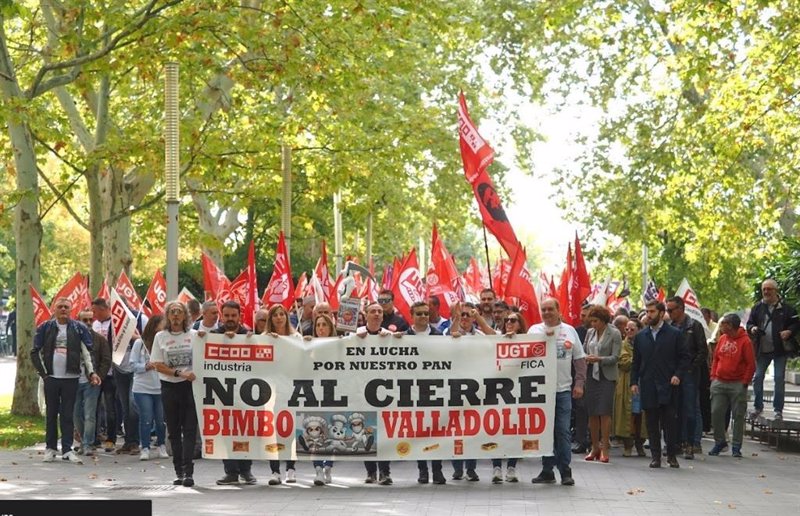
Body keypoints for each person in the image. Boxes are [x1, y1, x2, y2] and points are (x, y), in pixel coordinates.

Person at [31, 297, 100, 464]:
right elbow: (34, 352)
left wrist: (91, 373)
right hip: (51, 378)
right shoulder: (45, 328)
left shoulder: (78, 328)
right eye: (60, 307)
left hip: (72, 378)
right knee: (51, 414)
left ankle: (67, 449)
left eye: (66, 307)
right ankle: (50, 448)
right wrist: (44, 374)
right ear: (54, 309)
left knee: (68, 415)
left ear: (71, 310)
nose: (63, 309)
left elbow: (87, 352)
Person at [530, 298, 586, 486]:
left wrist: (579, 384)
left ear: (558, 309)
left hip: (562, 391)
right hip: (539, 392)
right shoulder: (534, 331)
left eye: (549, 309)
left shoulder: (570, 331)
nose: (546, 313)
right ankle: (547, 470)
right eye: (543, 309)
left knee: (562, 431)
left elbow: (579, 360)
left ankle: (565, 471)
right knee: (545, 432)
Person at [631, 300, 689, 469]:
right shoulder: (641, 336)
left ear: (661, 313)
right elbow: (636, 362)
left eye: (652, 312)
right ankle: (655, 456)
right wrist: (634, 382)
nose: (648, 315)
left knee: (670, 422)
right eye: (647, 311)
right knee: (651, 422)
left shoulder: (674, 334)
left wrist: (678, 375)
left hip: (668, 385)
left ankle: (671, 455)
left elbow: (684, 357)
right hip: (648, 384)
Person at [151, 300, 198, 487]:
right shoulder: (160, 337)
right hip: (170, 388)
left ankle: (188, 472)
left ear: (185, 315)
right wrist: (179, 373)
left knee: (189, 431)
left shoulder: (195, 335)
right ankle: (178, 470)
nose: (176, 315)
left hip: (189, 388)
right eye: (173, 312)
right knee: (174, 431)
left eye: (180, 312)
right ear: (168, 316)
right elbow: (157, 364)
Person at [210, 301, 258, 485]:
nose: (230, 319)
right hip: (222, 395)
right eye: (227, 316)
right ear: (222, 316)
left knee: (245, 432)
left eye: (233, 316)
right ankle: (230, 472)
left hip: (246, 395)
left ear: (240, 316)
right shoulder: (213, 335)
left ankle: (246, 471)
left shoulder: (248, 335)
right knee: (226, 433)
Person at [399, 301, 446, 485]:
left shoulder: (438, 336)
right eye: (419, 314)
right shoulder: (404, 336)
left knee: (436, 432)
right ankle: (423, 471)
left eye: (426, 313)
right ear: (412, 316)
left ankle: (437, 470)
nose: (423, 317)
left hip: (434, 390)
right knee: (419, 432)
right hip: (413, 391)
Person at [747, 279, 800, 421]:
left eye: (769, 289)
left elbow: (796, 323)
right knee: (757, 378)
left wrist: (789, 331)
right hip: (762, 349)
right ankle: (758, 407)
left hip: (779, 350)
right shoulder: (757, 308)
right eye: (764, 289)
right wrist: (752, 328)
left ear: (775, 290)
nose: (766, 292)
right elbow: (749, 323)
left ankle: (778, 410)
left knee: (778, 379)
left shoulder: (786, 308)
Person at [666, 295, 708, 459]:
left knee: (690, 409)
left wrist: (690, 369)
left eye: (671, 310)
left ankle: (690, 443)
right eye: (667, 310)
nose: (668, 313)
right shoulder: (669, 326)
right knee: (672, 410)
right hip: (672, 373)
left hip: (689, 374)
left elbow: (702, 351)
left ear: (680, 309)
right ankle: (675, 443)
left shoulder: (694, 326)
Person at [709, 313, 756, 458]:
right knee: (716, 412)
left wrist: (744, 381)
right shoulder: (722, 338)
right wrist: (713, 376)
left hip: (737, 383)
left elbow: (751, 364)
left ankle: (736, 445)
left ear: (730, 326)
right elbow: (716, 358)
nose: (721, 326)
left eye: (723, 324)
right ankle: (720, 441)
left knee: (738, 415)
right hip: (720, 381)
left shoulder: (745, 341)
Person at [356, 302, 393, 484]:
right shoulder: (355, 336)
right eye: (373, 311)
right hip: (362, 394)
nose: (377, 314)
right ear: (366, 314)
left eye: (379, 311)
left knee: (384, 434)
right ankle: (370, 472)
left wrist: (395, 338)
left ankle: (385, 472)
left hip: (384, 394)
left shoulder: (389, 336)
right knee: (367, 433)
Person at [264, 304, 299, 484]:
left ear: (286, 317)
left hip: (291, 391)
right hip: (271, 392)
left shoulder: (296, 337)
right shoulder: (264, 338)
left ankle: (291, 468)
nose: (279, 318)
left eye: (282, 314)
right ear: (271, 319)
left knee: (289, 430)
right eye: (275, 315)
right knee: (273, 431)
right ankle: (274, 471)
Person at [491, 312, 528, 483]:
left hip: (519, 394)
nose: (508, 323)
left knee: (516, 431)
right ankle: (496, 467)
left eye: (513, 320)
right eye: (506, 320)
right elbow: (485, 333)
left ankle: (512, 467)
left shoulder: (529, 341)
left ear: (520, 324)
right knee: (495, 430)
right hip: (498, 393)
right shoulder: (498, 338)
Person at [582, 305, 621, 463]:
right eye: (591, 321)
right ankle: (594, 447)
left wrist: (599, 359)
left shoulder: (615, 333)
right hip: (591, 375)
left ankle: (605, 447)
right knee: (592, 412)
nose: (593, 324)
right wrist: (587, 357)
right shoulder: (590, 333)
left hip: (606, 376)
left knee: (604, 412)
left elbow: (615, 357)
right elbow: (584, 350)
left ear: (604, 320)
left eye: (596, 321)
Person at [306, 313, 339, 485]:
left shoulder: (339, 345)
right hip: (314, 393)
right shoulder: (309, 344)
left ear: (330, 327)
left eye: (324, 325)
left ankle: (328, 466)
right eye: (318, 325)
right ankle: (318, 468)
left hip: (334, 394)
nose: (320, 328)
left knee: (331, 432)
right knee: (315, 433)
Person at [131, 314, 169, 461]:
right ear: (154, 326)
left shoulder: (165, 343)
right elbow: (132, 364)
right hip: (142, 387)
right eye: (162, 324)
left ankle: (161, 445)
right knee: (146, 418)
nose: (165, 327)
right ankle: (145, 447)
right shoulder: (139, 343)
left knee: (160, 419)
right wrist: (145, 366)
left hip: (160, 386)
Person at [73, 310, 111, 456]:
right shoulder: (72, 339)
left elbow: (106, 360)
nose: (88, 323)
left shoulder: (100, 339)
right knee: (76, 414)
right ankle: (83, 441)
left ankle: (88, 444)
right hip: (73, 381)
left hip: (92, 382)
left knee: (90, 415)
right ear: (78, 321)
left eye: (90, 320)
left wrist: (98, 377)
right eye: (85, 320)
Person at [614, 317, 646, 457]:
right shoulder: (622, 345)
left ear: (639, 329)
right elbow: (624, 362)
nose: (629, 331)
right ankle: (628, 445)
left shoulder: (646, 343)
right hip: (626, 384)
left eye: (633, 329)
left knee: (642, 415)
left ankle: (640, 444)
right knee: (628, 415)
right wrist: (639, 359)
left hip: (643, 384)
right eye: (627, 329)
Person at [91, 298, 119, 452]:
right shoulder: (95, 325)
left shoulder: (115, 324)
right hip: (96, 373)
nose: (94, 315)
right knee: (93, 407)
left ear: (103, 309)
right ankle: (94, 438)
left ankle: (111, 438)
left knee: (110, 407)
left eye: (95, 311)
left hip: (110, 373)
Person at [571, 305, 592, 455]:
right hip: (579, 377)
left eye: (585, 315)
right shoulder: (576, 332)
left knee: (596, 410)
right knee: (581, 409)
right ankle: (581, 440)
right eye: (581, 315)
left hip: (597, 376)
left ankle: (595, 441)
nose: (582, 318)